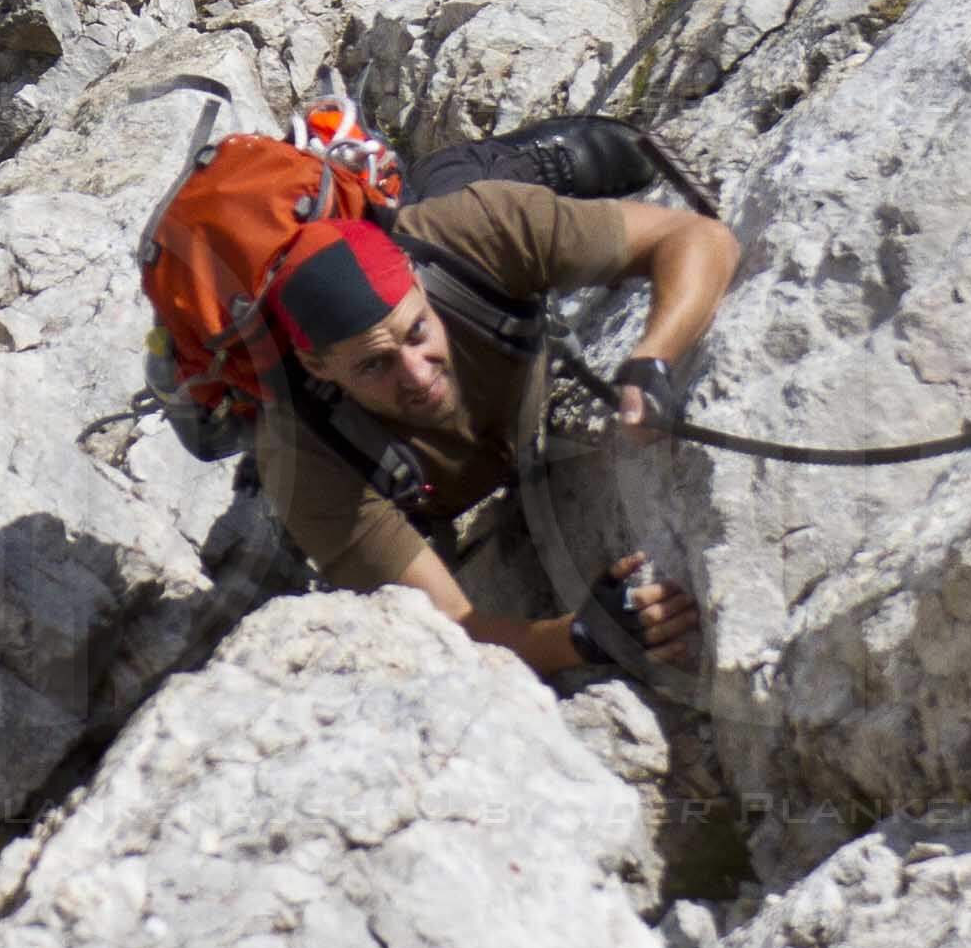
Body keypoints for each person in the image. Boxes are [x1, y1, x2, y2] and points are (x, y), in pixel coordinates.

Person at [250, 165, 741, 685]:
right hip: (426, 491)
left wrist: (653, 359)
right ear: (317, 367)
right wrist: (579, 637)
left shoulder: (476, 234)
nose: (417, 375)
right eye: (375, 365)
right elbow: (447, 632)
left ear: (416, 280)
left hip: (460, 220)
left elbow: (699, 237)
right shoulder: (301, 456)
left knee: (520, 162)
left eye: (417, 332)